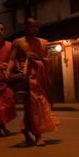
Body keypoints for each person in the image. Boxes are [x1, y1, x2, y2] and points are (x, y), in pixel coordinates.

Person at [6, 16, 60, 146]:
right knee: (35, 106)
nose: (35, 29)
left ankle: (25, 129)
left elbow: (47, 60)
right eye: (32, 26)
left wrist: (37, 58)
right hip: (26, 78)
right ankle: (38, 136)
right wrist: (8, 71)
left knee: (31, 107)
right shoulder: (18, 42)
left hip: (39, 76)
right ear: (25, 27)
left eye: (37, 26)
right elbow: (13, 59)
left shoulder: (43, 42)